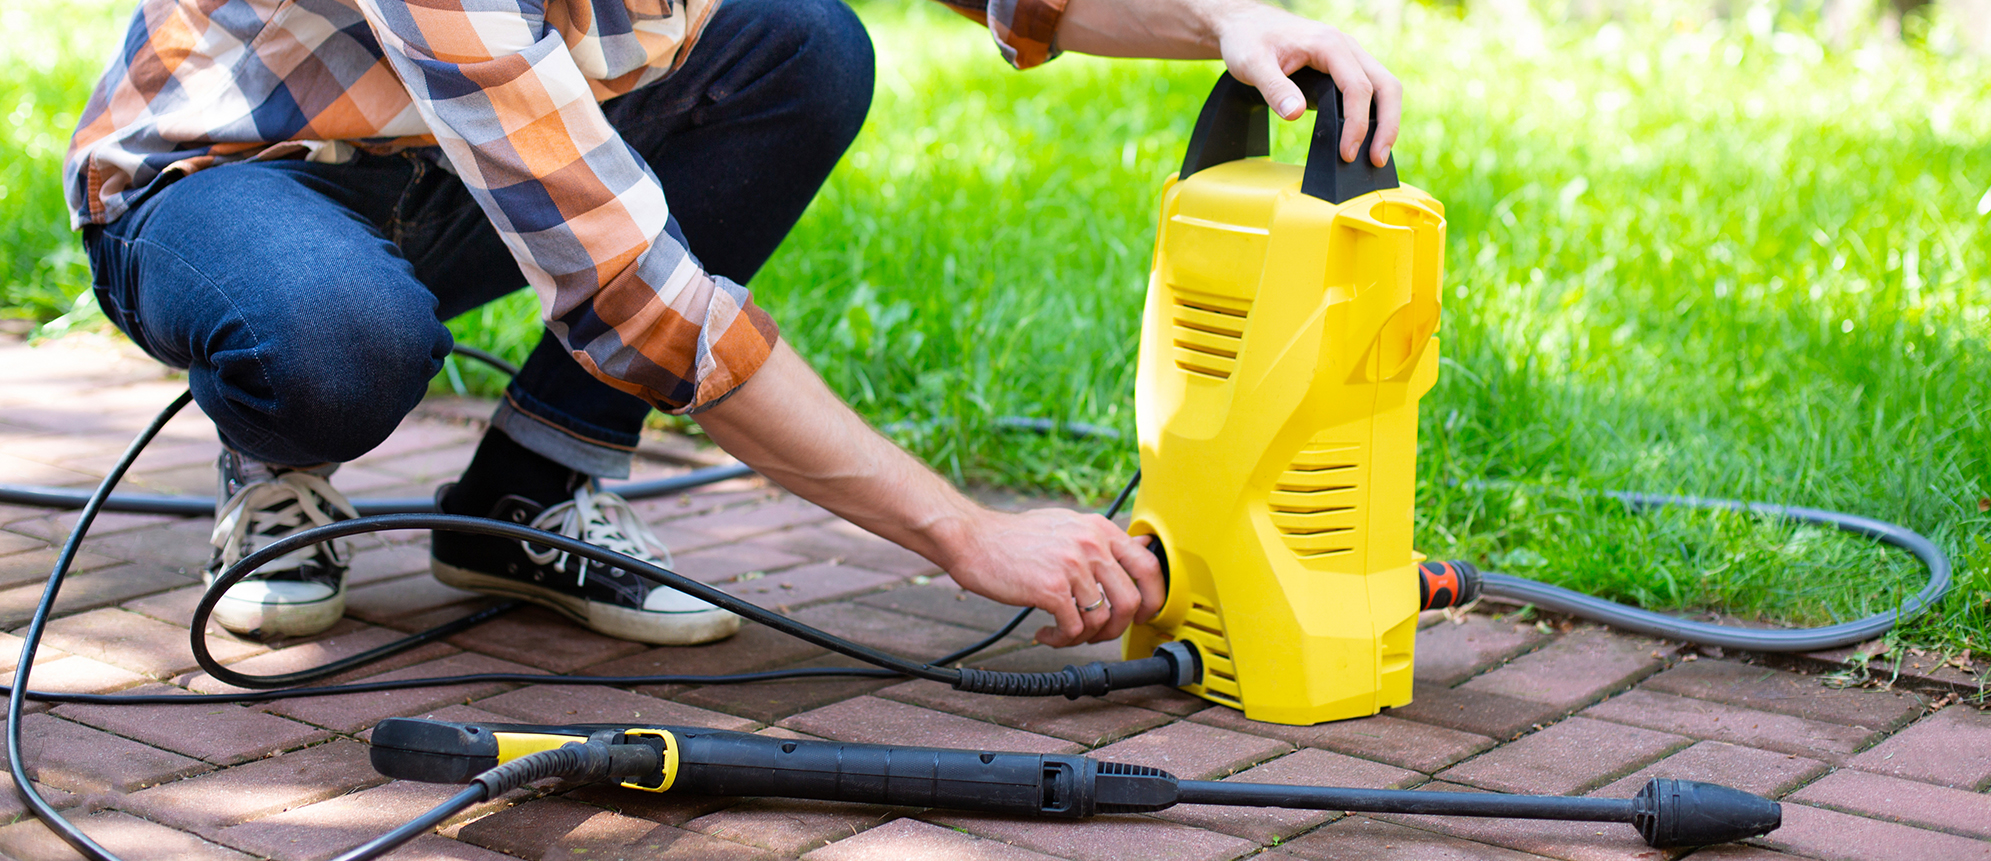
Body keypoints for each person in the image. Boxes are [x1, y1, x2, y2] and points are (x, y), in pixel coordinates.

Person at [63, 0, 1401, 651]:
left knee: (803, 46)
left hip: (463, 171)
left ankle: (533, 486)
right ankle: (274, 457)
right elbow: (643, 296)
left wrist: (1221, 20)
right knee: (337, 332)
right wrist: (962, 529)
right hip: (228, 186)